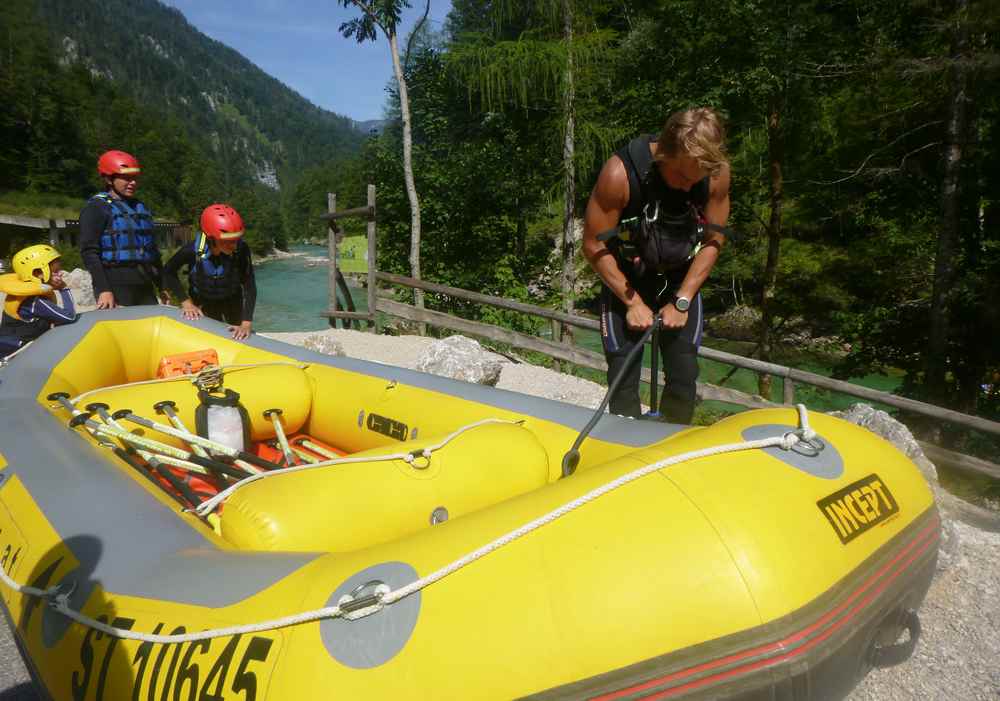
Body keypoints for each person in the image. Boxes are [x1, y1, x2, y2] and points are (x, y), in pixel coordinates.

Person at [582, 107, 732, 423]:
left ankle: (673, 448)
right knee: (622, 377)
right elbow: (593, 243)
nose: (688, 186)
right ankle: (623, 449)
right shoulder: (620, 174)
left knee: (684, 375)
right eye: (680, 175)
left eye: (697, 180)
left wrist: (683, 300)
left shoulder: (715, 174)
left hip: (681, 280)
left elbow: (714, 240)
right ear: (663, 153)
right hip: (626, 279)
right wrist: (632, 302)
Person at [79, 150, 166, 309]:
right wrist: (104, 289)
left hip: (143, 282)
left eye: (134, 178)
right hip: (114, 282)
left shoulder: (139, 207)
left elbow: (152, 251)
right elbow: (89, 251)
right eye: (126, 178)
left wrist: (161, 285)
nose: (133, 182)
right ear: (108, 179)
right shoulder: (97, 207)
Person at [163, 204, 257, 340]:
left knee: (240, 337)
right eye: (228, 241)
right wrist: (186, 302)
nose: (234, 245)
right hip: (204, 301)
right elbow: (168, 271)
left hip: (232, 299)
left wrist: (246, 322)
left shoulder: (241, 250)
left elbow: (250, 286)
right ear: (211, 238)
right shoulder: (191, 250)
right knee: (210, 338)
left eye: (236, 239)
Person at [0, 244, 78, 357]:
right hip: (16, 353)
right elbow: (69, 317)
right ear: (37, 273)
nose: (60, 274)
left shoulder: (28, 295)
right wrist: (64, 289)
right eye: (55, 271)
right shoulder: (34, 302)